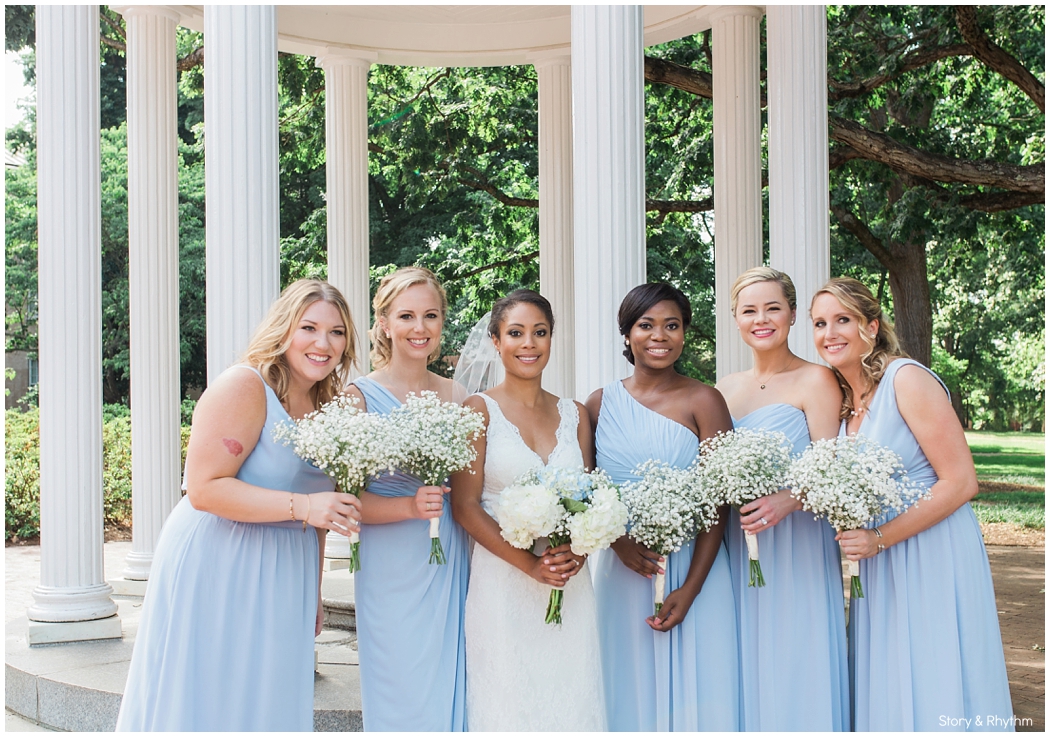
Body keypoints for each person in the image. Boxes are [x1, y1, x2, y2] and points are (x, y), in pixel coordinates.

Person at [116, 279, 363, 731]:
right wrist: (304, 506)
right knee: (212, 691)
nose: (323, 343)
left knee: (267, 695)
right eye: (308, 328)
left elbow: (321, 510)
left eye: (337, 332)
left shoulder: (330, 405)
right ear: (283, 328)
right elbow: (204, 488)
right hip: (221, 558)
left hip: (287, 567)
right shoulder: (245, 386)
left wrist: (313, 591)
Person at [811, 277, 1014, 731]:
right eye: (820, 323)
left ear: (871, 326)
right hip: (880, 561)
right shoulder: (844, 399)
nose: (830, 333)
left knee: (934, 662)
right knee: (892, 670)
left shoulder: (906, 378)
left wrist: (879, 537)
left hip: (931, 548)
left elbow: (961, 482)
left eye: (843, 319)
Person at [586, 282, 739, 731]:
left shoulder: (704, 400)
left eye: (672, 325)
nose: (659, 335)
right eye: (646, 325)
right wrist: (618, 544)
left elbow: (719, 502)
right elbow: (589, 489)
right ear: (627, 333)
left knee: (699, 690)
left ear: (684, 333)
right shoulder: (598, 404)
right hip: (623, 570)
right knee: (626, 685)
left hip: (694, 568)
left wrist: (691, 588)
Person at [450, 289, 606, 731]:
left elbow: (588, 500)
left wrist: (578, 553)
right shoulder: (478, 410)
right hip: (503, 585)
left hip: (569, 585)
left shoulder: (576, 414)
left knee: (572, 698)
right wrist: (531, 565)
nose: (529, 344)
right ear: (496, 341)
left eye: (540, 332)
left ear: (552, 338)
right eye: (515, 333)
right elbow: (465, 507)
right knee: (509, 703)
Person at [715, 267, 849, 731]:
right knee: (743, 654)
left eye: (773, 308)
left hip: (797, 543)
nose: (761, 319)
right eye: (749, 310)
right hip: (739, 542)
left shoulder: (817, 380)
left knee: (795, 650)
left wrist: (788, 500)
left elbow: (832, 467)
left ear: (792, 314)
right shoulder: (725, 388)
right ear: (736, 319)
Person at [343, 267, 470, 732]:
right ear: (384, 323)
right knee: (399, 680)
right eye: (406, 316)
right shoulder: (358, 397)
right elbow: (346, 502)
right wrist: (409, 506)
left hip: (449, 554)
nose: (420, 328)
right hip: (390, 562)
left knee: (449, 676)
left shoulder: (458, 394)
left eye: (430, 316)